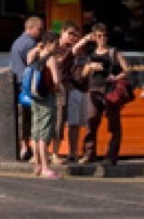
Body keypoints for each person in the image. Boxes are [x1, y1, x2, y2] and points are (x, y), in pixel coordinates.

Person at [74, 22, 129, 165]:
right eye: (99, 36)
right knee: (91, 123)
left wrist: (116, 77)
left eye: (104, 35)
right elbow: (83, 74)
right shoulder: (90, 54)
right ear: (94, 37)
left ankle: (111, 156)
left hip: (109, 90)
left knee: (114, 125)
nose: (102, 38)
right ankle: (89, 154)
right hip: (94, 90)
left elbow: (127, 70)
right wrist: (90, 66)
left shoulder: (113, 52)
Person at [52, 21, 87, 164]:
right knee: (59, 121)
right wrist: (75, 48)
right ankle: (55, 152)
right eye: (71, 34)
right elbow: (60, 62)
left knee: (74, 122)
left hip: (74, 88)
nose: (73, 37)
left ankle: (73, 152)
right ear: (63, 32)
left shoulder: (77, 50)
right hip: (59, 88)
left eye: (76, 35)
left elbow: (79, 68)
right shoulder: (56, 47)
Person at [28, 31, 61, 178]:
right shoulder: (51, 59)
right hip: (47, 97)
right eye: (56, 43)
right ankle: (46, 167)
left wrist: (37, 48)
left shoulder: (36, 55)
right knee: (44, 133)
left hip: (35, 97)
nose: (57, 46)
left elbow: (28, 61)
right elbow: (56, 81)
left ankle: (37, 166)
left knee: (35, 131)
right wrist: (59, 89)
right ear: (50, 43)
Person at [10, 16, 43, 161]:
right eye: (39, 29)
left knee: (22, 118)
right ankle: (28, 149)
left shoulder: (16, 42)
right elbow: (34, 66)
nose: (41, 32)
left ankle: (23, 146)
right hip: (28, 86)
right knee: (31, 119)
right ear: (30, 28)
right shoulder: (30, 43)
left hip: (17, 85)